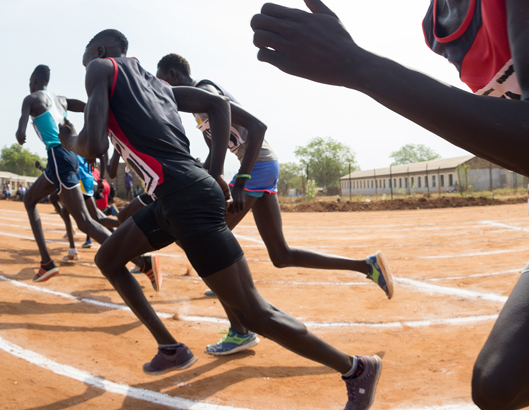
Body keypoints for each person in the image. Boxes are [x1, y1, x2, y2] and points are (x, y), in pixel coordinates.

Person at [249, 0, 529, 409]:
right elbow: (511, 135)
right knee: (497, 387)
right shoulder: (436, 25)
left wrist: (355, 65)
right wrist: (357, 69)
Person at [62, 29, 381, 409]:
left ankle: (355, 368)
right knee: (109, 258)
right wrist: (213, 170)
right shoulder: (159, 88)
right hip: (175, 196)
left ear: (98, 50)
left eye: (85, 53)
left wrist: (69, 143)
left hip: (186, 199)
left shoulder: (100, 67)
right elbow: (218, 104)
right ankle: (170, 347)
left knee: (254, 312)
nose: (84, 60)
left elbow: (93, 145)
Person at [156, 53, 395, 355]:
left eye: (162, 81)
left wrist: (241, 179)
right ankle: (366, 266)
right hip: (261, 166)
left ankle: (240, 331)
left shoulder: (206, 92)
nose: (161, 90)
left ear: (174, 75)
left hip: (256, 167)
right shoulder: (198, 113)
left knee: (205, 243)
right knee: (281, 254)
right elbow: (213, 157)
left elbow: (258, 128)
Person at [15, 65, 124, 282]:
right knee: (29, 199)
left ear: (34, 81)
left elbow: (21, 127)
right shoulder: (60, 100)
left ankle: (139, 260)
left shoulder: (31, 98)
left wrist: (20, 133)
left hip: (58, 156)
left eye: (29, 82)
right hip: (71, 154)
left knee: (85, 221)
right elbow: (86, 106)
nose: (29, 86)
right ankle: (46, 262)